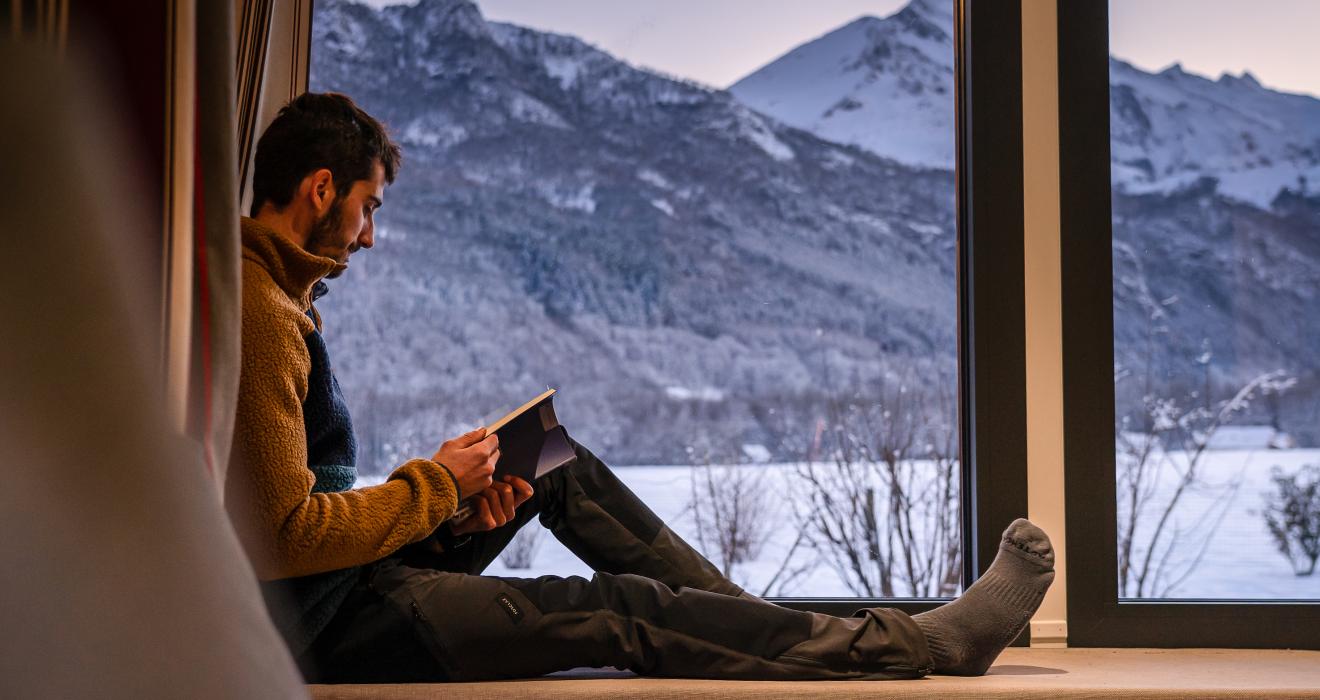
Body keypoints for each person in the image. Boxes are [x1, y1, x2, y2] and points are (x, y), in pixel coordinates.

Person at [226, 91, 1056, 684]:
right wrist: (437, 484)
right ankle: (916, 646)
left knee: (550, 458)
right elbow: (283, 534)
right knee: (620, 611)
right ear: (322, 189)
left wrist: (456, 498)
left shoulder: (274, 298)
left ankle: (772, 633)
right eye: (368, 208)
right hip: (327, 626)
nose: (370, 236)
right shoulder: (260, 312)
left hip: (339, 587)